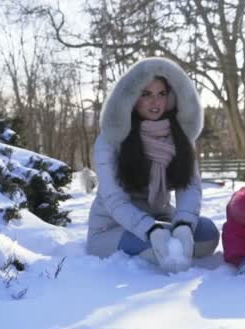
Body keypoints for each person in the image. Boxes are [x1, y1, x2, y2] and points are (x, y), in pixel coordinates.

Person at [87, 57, 219, 273]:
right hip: (112, 227)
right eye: (146, 94)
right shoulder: (111, 139)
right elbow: (114, 199)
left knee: (207, 233)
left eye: (161, 94)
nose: (155, 102)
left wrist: (184, 224)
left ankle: (165, 246)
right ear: (131, 97)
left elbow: (190, 187)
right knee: (162, 245)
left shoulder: (177, 136)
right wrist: (150, 229)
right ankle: (156, 251)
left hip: (161, 219)